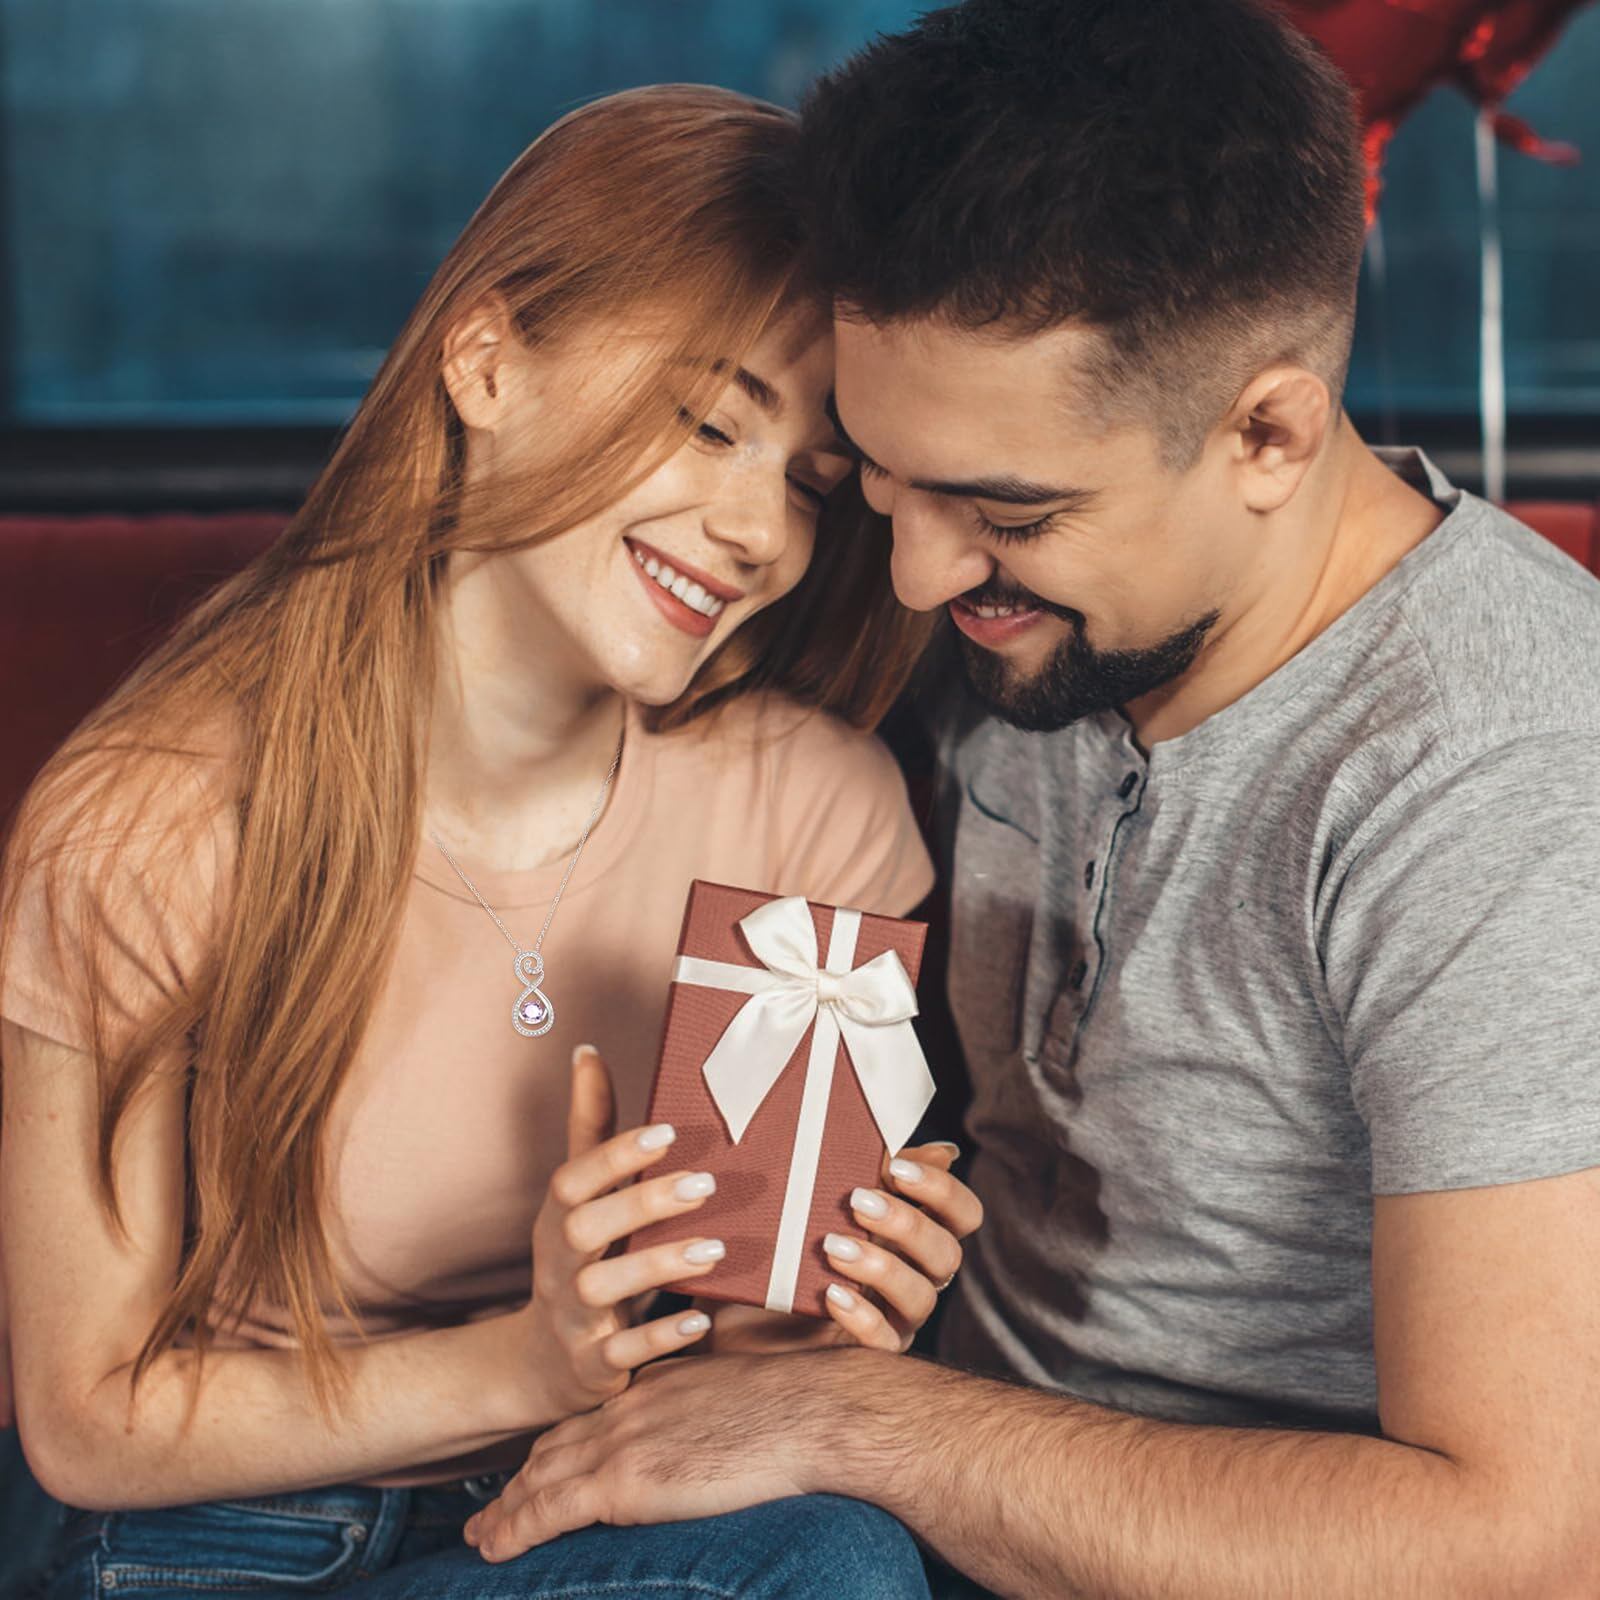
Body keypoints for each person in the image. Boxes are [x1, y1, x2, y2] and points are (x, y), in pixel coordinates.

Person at [458, 3, 1600, 1595]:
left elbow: (1528, 1544)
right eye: (879, 483)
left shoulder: (1505, 778)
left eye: (1006, 513)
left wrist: (848, 1421)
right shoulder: (1013, 602)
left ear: (1268, 432)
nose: (918, 579)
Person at [0, 84, 978, 1600]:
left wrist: (824, 1328)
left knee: (845, 1551)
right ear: (485, 362)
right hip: (225, 1537)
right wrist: (529, 1360)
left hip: (593, 1502)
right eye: (710, 423)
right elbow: (86, 1422)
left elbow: (738, 1356)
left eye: (809, 484)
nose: (761, 536)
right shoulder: (153, 816)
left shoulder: (817, 807)